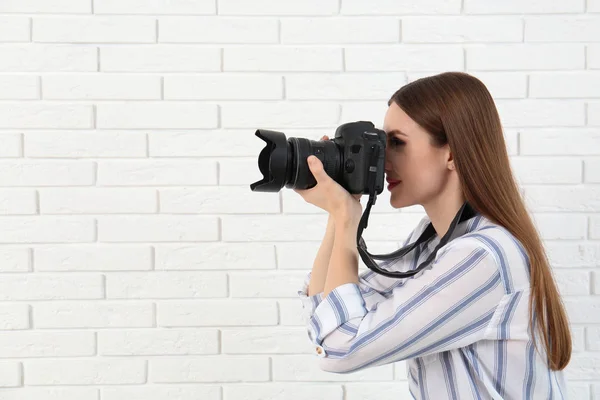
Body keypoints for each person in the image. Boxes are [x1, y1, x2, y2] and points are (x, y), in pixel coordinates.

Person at [294, 72, 571, 399]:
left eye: (396, 142)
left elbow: (341, 347)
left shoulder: (483, 256)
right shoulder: (431, 241)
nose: (383, 161)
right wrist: (340, 207)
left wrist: (345, 218)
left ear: (451, 153)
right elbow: (328, 309)